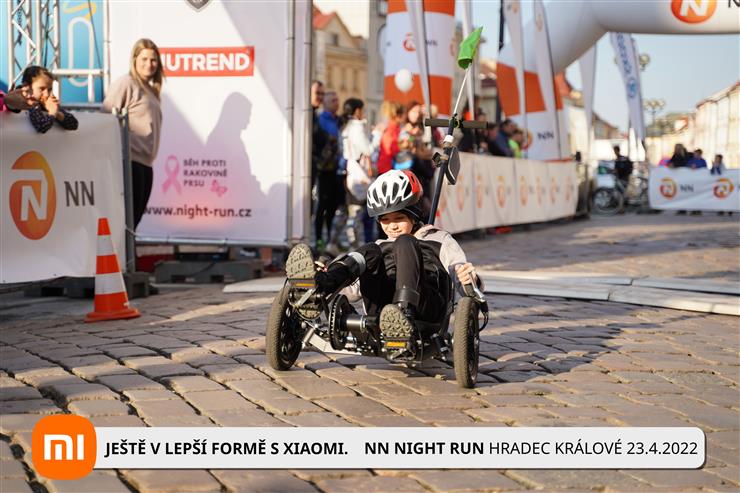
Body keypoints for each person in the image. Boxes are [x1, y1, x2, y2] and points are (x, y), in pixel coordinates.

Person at [284, 170, 480, 357]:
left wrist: (468, 278)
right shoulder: (379, 247)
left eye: (399, 218)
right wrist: (327, 274)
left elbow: (460, 271)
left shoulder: (439, 239)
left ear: (414, 214)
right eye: (385, 220)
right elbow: (353, 291)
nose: (392, 226)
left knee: (404, 241)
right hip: (380, 316)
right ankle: (319, 287)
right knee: (370, 249)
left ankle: (402, 317)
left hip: (424, 307)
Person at [103, 38, 164, 229]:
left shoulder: (151, 90)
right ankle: (122, 251)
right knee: (126, 221)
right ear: (135, 59)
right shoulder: (126, 83)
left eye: (153, 60)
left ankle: (129, 250)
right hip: (129, 161)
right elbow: (106, 116)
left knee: (134, 222)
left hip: (145, 163)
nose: (149, 64)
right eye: (144, 59)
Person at [327, 98, 375, 254]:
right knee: (356, 211)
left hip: (343, 172)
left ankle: (332, 243)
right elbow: (368, 150)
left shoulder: (344, 125)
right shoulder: (356, 127)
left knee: (343, 211)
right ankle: (356, 246)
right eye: (363, 109)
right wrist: (377, 136)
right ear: (357, 111)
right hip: (355, 174)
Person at [313, 90, 342, 252]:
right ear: (325, 103)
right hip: (324, 169)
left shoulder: (339, 120)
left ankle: (331, 240)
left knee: (333, 206)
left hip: (337, 169)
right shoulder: (320, 120)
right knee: (322, 206)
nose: (336, 103)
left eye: (337, 100)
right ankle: (319, 239)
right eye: (333, 100)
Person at [19, 66, 78, 133]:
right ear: (26, 86)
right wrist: (52, 113)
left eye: (49, 89)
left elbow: (74, 125)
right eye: (42, 89)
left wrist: (57, 112)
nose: (46, 94)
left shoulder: (46, 101)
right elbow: (41, 126)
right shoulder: (28, 101)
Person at [376, 101, 404, 175]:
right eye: (402, 114)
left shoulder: (395, 129)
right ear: (396, 115)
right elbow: (389, 151)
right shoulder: (390, 130)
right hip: (387, 170)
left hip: (390, 168)